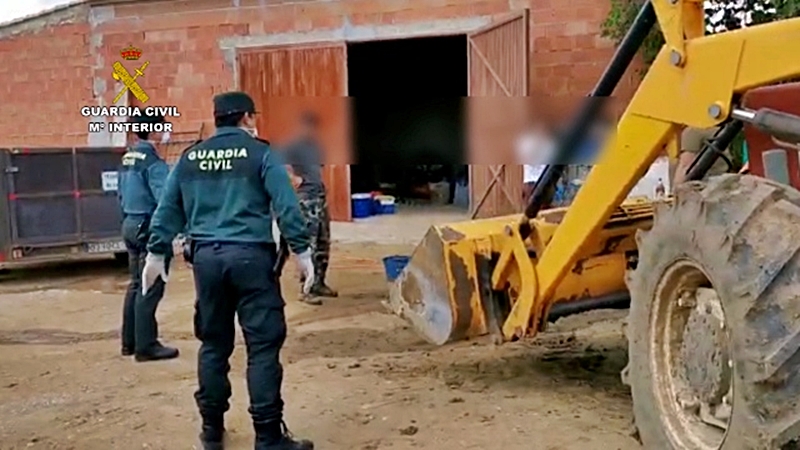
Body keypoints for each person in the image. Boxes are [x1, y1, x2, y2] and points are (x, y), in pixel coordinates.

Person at [141, 91, 316, 450]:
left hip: (206, 261)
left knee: (213, 346)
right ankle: (268, 437)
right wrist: (302, 251)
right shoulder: (263, 154)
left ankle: (211, 432)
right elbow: (286, 205)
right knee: (263, 347)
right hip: (252, 259)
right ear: (247, 118)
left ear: (218, 118)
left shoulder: (190, 158)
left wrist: (156, 254)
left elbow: (167, 209)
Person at [117, 113, 179, 362]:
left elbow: (119, 195)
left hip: (130, 223)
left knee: (134, 284)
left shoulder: (127, 158)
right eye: (163, 128)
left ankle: (129, 342)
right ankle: (147, 345)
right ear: (153, 131)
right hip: (148, 226)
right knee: (150, 286)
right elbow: (165, 200)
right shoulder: (154, 163)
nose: (166, 133)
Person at [282, 111, 337, 305]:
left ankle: (319, 282)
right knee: (309, 244)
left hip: (320, 197)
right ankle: (306, 288)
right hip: (305, 200)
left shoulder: (316, 146)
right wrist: (293, 178)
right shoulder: (291, 145)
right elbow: (280, 165)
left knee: (323, 243)